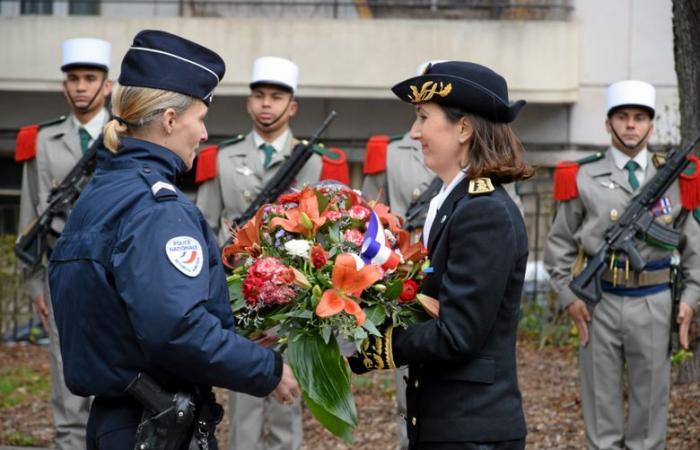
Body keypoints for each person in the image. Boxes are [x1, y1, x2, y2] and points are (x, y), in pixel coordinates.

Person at [47, 30, 300, 450]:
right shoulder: (157, 208)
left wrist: (233, 335)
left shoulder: (102, 193)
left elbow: (133, 309)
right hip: (156, 423)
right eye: (199, 119)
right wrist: (266, 369)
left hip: (119, 417)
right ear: (168, 120)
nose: (203, 134)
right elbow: (174, 328)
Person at [349, 61, 533, 449]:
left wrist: (371, 348)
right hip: (450, 424)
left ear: (463, 128)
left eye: (423, 118)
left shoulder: (484, 211)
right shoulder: (455, 201)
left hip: (472, 430)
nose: (414, 133)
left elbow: (457, 334)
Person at [195, 56, 348, 450]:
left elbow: (330, 233)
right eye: (259, 96)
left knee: (288, 401)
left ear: (292, 106)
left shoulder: (314, 160)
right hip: (238, 292)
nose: (267, 104)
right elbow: (206, 226)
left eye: (276, 97)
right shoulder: (222, 157)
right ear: (248, 103)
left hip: (295, 297)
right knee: (243, 400)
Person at [543, 80, 700, 450]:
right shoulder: (582, 176)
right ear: (608, 123)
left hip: (654, 300)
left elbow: (693, 247)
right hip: (599, 303)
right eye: (623, 117)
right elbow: (559, 245)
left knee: (649, 417)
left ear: (650, 125)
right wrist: (569, 298)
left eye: (640, 118)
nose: (631, 125)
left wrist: (690, 299)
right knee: (602, 414)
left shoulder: (676, 178)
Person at [14, 36, 112, 450]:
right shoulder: (44, 140)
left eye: (90, 78)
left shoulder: (125, 138)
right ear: (63, 85)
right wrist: (36, 285)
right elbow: (30, 217)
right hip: (62, 278)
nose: (81, 87)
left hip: (114, 278)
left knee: (112, 386)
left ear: (108, 85)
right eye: (73, 78)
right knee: (66, 386)